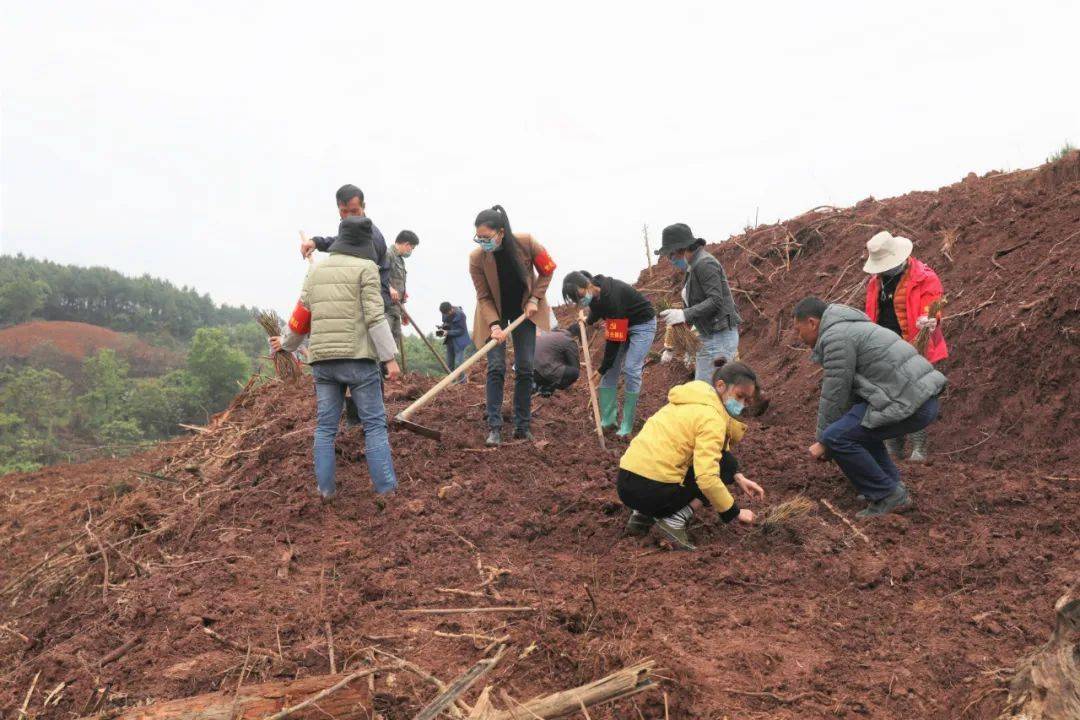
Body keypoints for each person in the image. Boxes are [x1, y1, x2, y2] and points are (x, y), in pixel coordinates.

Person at [273, 216, 401, 500]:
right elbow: (375, 316)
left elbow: (301, 317)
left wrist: (286, 344)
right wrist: (389, 358)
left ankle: (326, 491)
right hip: (358, 360)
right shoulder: (367, 268)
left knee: (326, 427)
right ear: (366, 244)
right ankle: (386, 491)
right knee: (374, 425)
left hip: (323, 363)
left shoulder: (316, 270)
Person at [793, 297, 946, 517]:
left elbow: (836, 391)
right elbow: (851, 396)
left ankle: (886, 494)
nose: (799, 338)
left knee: (838, 437)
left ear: (812, 322)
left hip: (910, 401)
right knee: (857, 430)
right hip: (915, 397)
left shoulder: (836, 337)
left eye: (799, 331)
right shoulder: (851, 326)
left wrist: (824, 441)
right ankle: (891, 485)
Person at [616, 358, 763, 550]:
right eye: (740, 396)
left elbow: (719, 454)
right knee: (713, 471)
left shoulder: (687, 401)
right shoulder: (712, 418)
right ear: (720, 386)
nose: (742, 405)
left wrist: (739, 477)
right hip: (652, 493)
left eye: (746, 401)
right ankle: (674, 521)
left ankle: (641, 517)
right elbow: (707, 478)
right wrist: (734, 512)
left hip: (626, 483)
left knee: (707, 463)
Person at [469, 205, 556, 446]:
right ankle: (494, 427)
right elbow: (484, 296)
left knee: (526, 367)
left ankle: (522, 425)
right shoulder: (477, 259)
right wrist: (495, 326)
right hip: (493, 314)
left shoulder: (526, 243)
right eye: (479, 238)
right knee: (496, 367)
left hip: (524, 311)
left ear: (501, 232)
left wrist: (535, 298)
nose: (482, 242)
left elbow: (548, 270)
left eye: (486, 238)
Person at [862, 230, 948, 462]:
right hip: (885, 348)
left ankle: (919, 447)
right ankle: (894, 447)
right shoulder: (876, 282)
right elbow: (873, 314)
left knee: (916, 396)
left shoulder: (925, 277)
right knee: (889, 397)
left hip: (915, 346)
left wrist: (928, 318)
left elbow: (933, 307)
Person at [562, 271, 657, 437]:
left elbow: (613, 342)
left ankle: (627, 423)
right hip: (622, 323)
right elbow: (597, 310)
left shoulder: (612, 297)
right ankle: (608, 421)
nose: (581, 301)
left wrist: (602, 369)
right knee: (609, 373)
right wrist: (588, 322)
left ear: (588, 284)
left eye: (581, 296)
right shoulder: (596, 294)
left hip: (642, 324)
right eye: (577, 300)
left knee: (631, 369)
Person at [654, 223, 742, 382]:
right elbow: (696, 306)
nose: (670, 260)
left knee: (708, 390)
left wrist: (684, 314)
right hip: (710, 336)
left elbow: (715, 300)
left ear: (681, 249)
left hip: (719, 337)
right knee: (708, 388)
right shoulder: (693, 267)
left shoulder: (705, 263)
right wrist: (673, 342)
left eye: (671, 255)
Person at [299, 184, 392, 309]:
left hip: (370, 307)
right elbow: (341, 242)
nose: (349, 217)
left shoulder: (371, 237)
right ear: (338, 209)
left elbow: (369, 285)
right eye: (344, 211)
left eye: (354, 211)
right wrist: (316, 242)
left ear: (363, 207)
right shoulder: (352, 234)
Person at [386, 230, 420, 351]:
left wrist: (404, 312)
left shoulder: (400, 260)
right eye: (412, 248)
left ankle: (390, 370)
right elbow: (376, 275)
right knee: (385, 343)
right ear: (407, 244)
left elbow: (400, 290)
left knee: (394, 344)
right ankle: (381, 370)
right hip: (385, 308)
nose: (411, 251)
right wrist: (389, 288)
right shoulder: (387, 254)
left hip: (396, 308)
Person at [533, 328, 580, 397]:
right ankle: (548, 388)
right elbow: (575, 365)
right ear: (576, 337)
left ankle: (539, 385)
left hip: (531, 370)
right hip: (543, 371)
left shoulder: (552, 333)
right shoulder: (569, 341)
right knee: (575, 372)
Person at [436, 301, 471, 384]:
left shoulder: (461, 315)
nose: (447, 314)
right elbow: (446, 322)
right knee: (449, 364)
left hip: (460, 341)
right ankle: (452, 382)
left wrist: (447, 332)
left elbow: (461, 331)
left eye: (448, 312)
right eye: (445, 314)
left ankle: (462, 382)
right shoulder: (444, 313)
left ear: (451, 308)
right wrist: (442, 327)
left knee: (459, 363)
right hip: (450, 341)